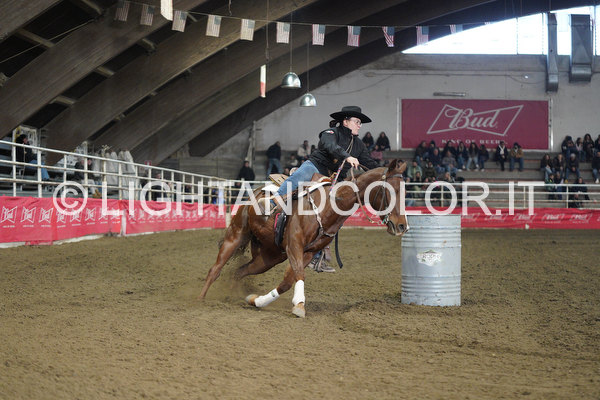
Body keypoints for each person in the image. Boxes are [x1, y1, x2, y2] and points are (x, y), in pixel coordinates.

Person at [262, 106, 380, 273]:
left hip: (335, 179)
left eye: (360, 123)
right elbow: (331, 147)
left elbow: (370, 164)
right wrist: (347, 157)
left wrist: (385, 172)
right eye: (357, 122)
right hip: (316, 168)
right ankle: (272, 202)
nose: (359, 125)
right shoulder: (330, 133)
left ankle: (317, 255)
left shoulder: (359, 145)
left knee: (337, 215)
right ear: (345, 122)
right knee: (299, 176)